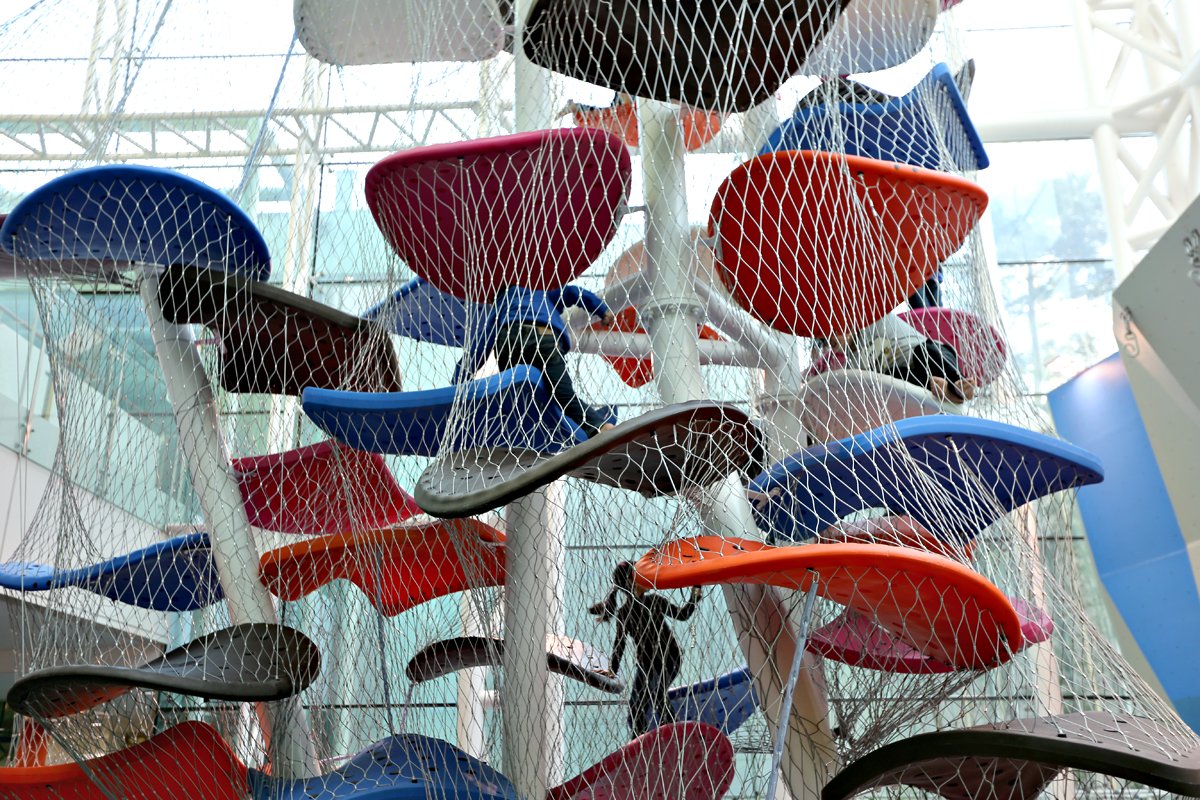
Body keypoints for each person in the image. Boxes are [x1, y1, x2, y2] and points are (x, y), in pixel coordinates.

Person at [478, 283, 617, 439]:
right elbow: (572, 292)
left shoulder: (502, 303)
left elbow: (484, 340)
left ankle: (518, 431)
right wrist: (602, 309)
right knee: (562, 394)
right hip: (544, 338)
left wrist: (463, 374)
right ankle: (600, 427)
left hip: (511, 341)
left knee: (516, 393)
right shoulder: (543, 296)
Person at [589, 561, 702, 737]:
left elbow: (682, 615)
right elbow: (619, 645)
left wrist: (696, 591)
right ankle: (640, 743)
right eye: (642, 575)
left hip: (669, 659)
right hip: (647, 664)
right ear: (630, 582)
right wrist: (612, 670)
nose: (648, 578)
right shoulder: (626, 613)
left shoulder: (654, 602)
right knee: (636, 707)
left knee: (657, 695)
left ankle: (675, 736)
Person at [827, 313, 976, 404]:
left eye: (832, 332)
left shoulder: (875, 321)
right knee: (892, 375)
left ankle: (958, 387)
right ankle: (945, 391)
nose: (830, 341)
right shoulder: (851, 367)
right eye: (824, 339)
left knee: (924, 351)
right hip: (918, 383)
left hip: (932, 359)